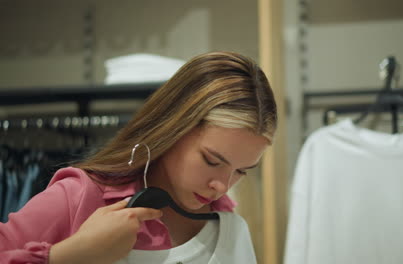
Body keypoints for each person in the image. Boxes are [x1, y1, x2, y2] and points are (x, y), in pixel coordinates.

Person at [0, 51, 277, 264]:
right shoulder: (79, 197)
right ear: (172, 128)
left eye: (241, 171)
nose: (222, 186)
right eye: (211, 161)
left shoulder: (229, 225)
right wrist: (68, 256)